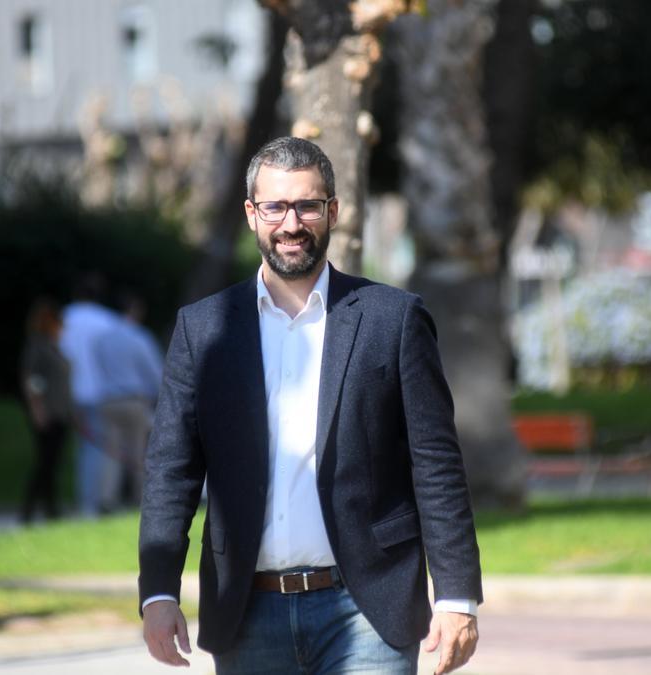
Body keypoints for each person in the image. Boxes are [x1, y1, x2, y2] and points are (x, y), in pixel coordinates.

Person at [139, 137, 482, 674]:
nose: (291, 223)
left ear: (334, 212)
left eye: (308, 205)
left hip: (368, 608)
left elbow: (435, 465)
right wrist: (158, 591)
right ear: (252, 214)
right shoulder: (203, 329)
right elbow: (171, 471)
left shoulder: (393, 320)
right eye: (275, 206)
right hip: (248, 614)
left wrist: (457, 595)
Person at [91, 290, 165, 508]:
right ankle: (140, 498)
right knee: (138, 451)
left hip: (108, 400)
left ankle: (107, 498)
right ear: (134, 310)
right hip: (134, 399)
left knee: (111, 452)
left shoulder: (103, 339)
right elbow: (154, 371)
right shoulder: (139, 337)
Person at [60, 273, 121, 516]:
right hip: (99, 391)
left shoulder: (64, 318)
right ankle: (92, 503)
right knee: (96, 448)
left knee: (81, 448)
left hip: (70, 392)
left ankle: (85, 500)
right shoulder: (107, 320)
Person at [18, 298, 72, 524]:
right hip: (47, 414)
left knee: (52, 462)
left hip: (60, 412)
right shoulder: (38, 346)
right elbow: (31, 380)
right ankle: (31, 509)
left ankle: (50, 507)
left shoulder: (53, 346)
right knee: (45, 462)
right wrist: (37, 410)